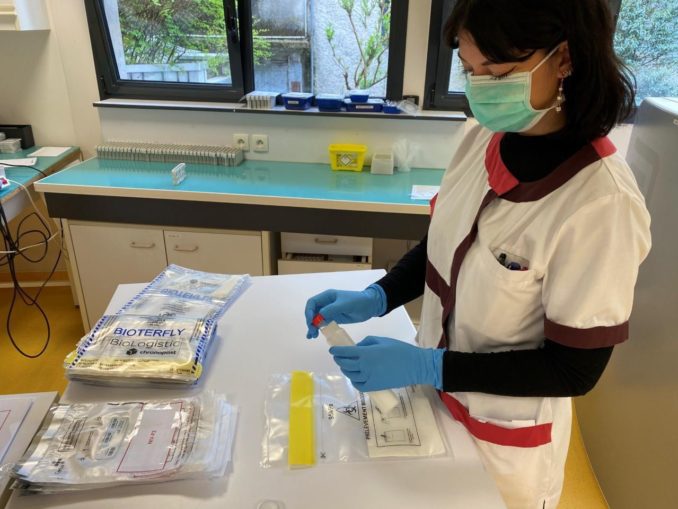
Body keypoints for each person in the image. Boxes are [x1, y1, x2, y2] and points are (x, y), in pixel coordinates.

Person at [304, 1, 652, 507]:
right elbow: (445, 242)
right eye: (470, 71)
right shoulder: (481, 138)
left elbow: (574, 370)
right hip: (432, 409)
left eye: (500, 73)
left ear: (564, 58)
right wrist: (379, 295)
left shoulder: (601, 203)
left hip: (503, 442)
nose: (482, 89)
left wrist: (429, 367)